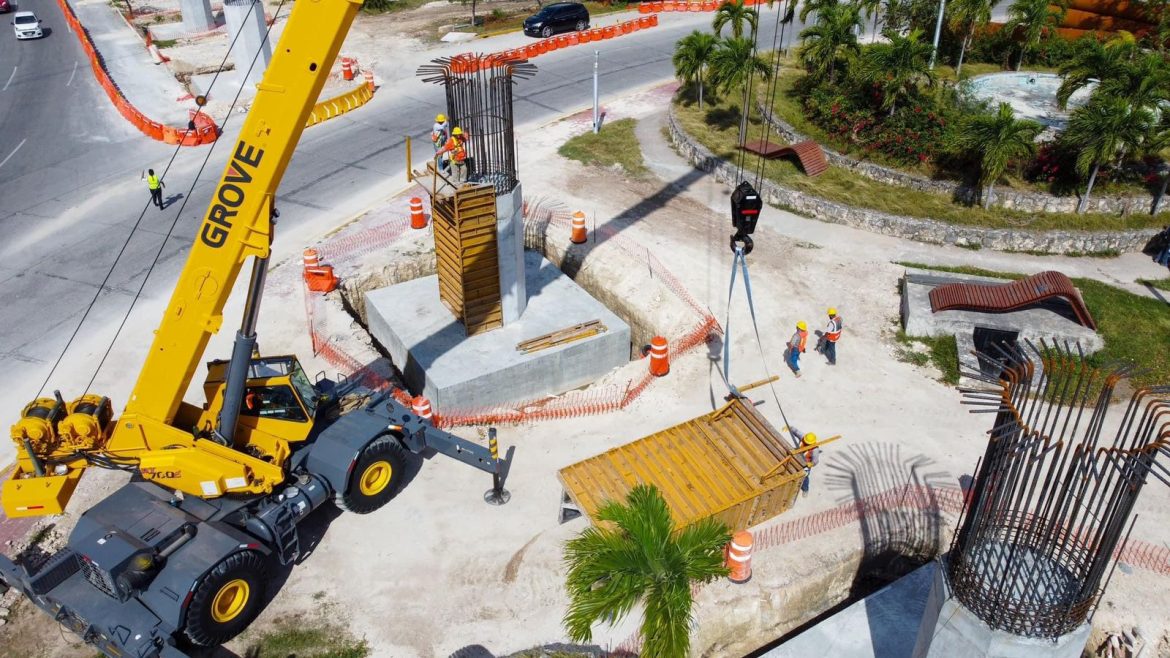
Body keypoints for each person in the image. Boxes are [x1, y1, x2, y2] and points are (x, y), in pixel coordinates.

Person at [788, 428, 821, 497]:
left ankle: (805, 489)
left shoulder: (815, 450)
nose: (806, 444)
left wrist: (811, 464)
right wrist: (790, 428)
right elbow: (797, 432)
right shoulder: (804, 438)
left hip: (806, 464)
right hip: (798, 457)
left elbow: (815, 461)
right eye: (806, 442)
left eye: (808, 443)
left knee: (804, 476)